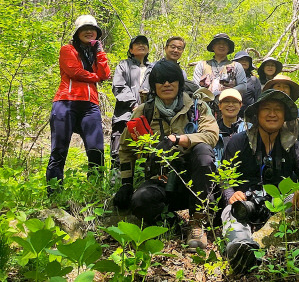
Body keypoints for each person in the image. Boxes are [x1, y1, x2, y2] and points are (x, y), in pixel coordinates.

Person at [113, 60, 220, 251]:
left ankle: (197, 223)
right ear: (154, 85)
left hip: (194, 183)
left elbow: (211, 136)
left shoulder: (197, 107)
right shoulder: (143, 111)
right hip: (159, 180)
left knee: (203, 152)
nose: (166, 84)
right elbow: (126, 148)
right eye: (161, 81)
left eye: (171, 80)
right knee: (140, 201)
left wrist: (177, 139)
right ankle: (173, 224)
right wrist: (126, 184)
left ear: (179, 83)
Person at [222, 90, 299, 274]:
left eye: (277, 110)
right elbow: (224, 177)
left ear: (284, 116)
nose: (272, 114)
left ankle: (284, 238)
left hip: (281, 202)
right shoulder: (238, 141)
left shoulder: (292, 144)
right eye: (266, 109)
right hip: (245, 202)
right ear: (257, 114)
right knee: (231, 212)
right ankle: (243, 249)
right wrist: (231, 194)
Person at [47, 15, 111, 195]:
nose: (89, 32)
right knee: (59, 151)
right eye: (84, 29)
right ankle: (55, 196)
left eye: (93, 29)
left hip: (90, 106)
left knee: (96, 151)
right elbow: (75, 72)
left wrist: (99, 51)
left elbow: (105, 73)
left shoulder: (95, 53)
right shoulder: (67, 49)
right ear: (77, 33)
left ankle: (94, 194)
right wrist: (95, 77)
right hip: (66, 102)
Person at [110, 35, 152, 172]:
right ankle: (116, 183)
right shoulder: (123, 65)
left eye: (144, 44)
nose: (141, 45)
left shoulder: (154, 68)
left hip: (147, 118)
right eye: (137, 43)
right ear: (131, 49)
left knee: (146, 152)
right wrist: (133, 104)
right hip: (124, 115)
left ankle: (140, 185)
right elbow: (119, 86)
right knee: (119, 151)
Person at [262, 74, 299, 157]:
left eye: (285, 87)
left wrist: (293, 157)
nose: (282, 89)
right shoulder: (263, 112)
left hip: (294, 155)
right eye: (278, 86)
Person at [193, 33, 247, 97]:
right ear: (213, 47)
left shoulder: (236, 66)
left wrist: (224, 93)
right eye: (218, 43)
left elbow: (243, 86)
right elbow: (195, 85)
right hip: (204, 103)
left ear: (229, 48)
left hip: (228, 102)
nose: (221, 46)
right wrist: (208, 95)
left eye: (225, 44)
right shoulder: (201, 65)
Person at [233, 50, 261, 116]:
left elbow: (258, 100)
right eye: (241, 59)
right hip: (229, 115)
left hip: (248, 117)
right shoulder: (229, 78)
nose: (244, 61)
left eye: (246, 60)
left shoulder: (254, 80)